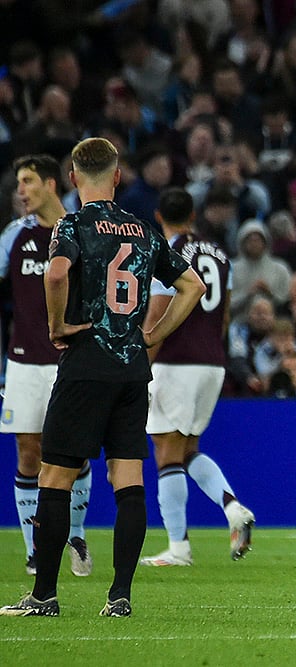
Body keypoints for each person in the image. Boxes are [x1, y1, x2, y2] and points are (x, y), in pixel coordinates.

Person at [0, 137, 204, 618]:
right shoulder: (143, 231)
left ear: (72, 179)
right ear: (116, 177)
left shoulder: (72, 223)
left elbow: (55, 276)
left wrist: (56, 326)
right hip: (132, 369)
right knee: (127, 478)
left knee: (54, 476)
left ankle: (44, 595)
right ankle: (120, 597)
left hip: (85, 363)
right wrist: (152, 334)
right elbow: (191, 285)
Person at [139, 188, 256, 568]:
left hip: (175, 362)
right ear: (193, 214)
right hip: (211, 363)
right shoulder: (220, 254)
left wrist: (143, 363)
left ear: (159, 216)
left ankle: (178, 547)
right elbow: (222, 317)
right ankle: (232, 506)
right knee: (188, 449)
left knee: (165, 452)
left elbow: (157, 312)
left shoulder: (167, 253)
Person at [0, 155, 93, 578]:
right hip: (23, 362)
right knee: (27, 453)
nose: (21, 190)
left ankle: (75, 533)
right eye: (18, 183)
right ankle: (35, 552)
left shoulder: (80, 232)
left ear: (51, 184)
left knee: (74, 454)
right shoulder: (13, 237)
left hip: (68, 361)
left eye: (28, 181)